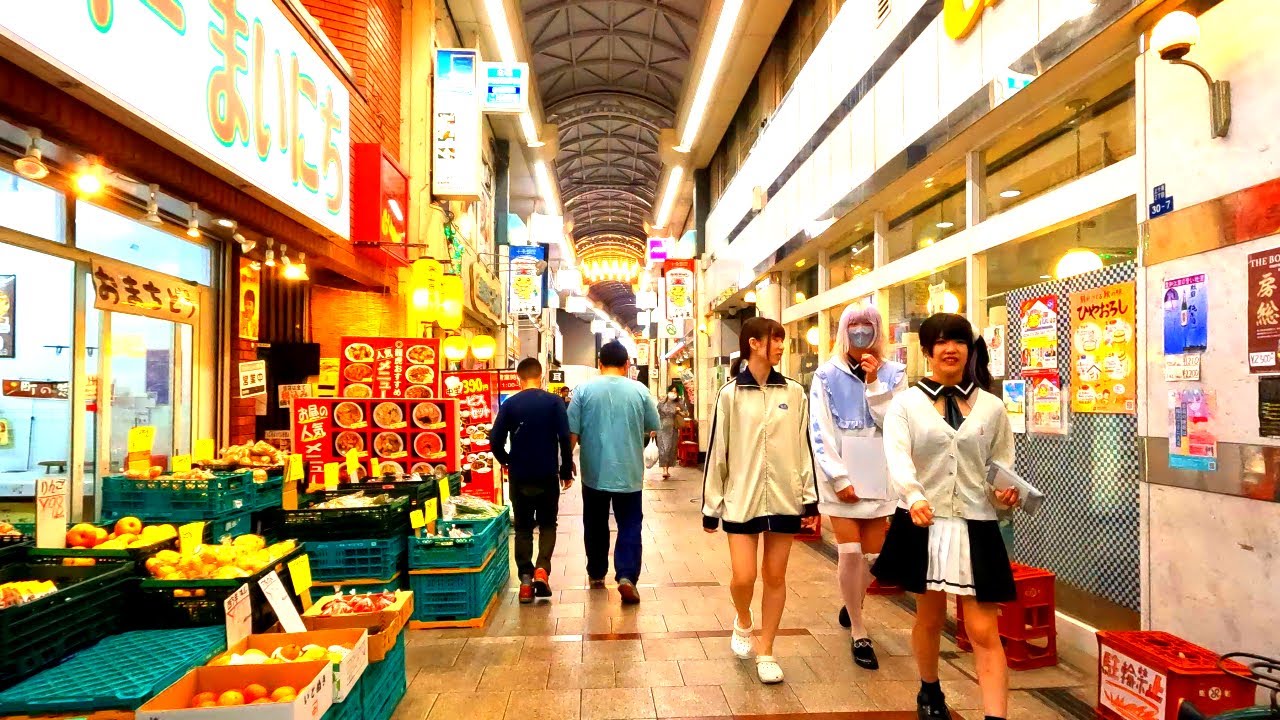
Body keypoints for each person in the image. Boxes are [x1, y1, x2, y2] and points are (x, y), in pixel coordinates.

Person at [871, 313, 1021, 720]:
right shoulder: (906, 404)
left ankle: (996, 717)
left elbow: (999, 465)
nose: (950, 349)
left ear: (970, 350)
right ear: (927, 352)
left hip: (977, 525)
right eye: (941, 342)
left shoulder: (991, 407)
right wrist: (913, 494)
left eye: (958, 341)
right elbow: (897, 456)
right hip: (925, 521)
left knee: (984, 630)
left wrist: (1005, 493)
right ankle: (929, 688)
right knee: (930, 616)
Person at [703, 317, 817, 684]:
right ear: (754, 344)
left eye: (782, 341)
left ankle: (767, 650)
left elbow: (804, 448)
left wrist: (809, 499)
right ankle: (743, 619)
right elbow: (718, 451)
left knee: (775, 575)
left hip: (784, 499)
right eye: (776, 340)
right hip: (741, 498)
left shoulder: (795, 393)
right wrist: (711, 505)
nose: (782, 347)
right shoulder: (730, 394)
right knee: (744, 576)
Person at [809, 303, 907, 670]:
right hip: (842, 476)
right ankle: (859, 628)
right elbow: (819, 429)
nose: (862, 332)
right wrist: (839, 477)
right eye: (855, 325)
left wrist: (875, 385)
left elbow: (897, 424)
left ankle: (851, 601)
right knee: (849, 553)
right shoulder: (825, 375)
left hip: (879, 475)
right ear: (844, 330)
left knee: (874, 559)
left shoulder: (895, 373)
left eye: (869, 325)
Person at [568, 340, 661, 604]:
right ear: (627, 364)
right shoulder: (639, 390)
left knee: (595, 524)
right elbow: (653, 425)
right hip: (629, 472)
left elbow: (571, 433)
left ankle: (597, 573)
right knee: (629, 524)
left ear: (599, 364)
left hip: (594, 472)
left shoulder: (583, 390)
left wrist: (564, 464)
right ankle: (627, 576)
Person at [490, 357, 574, 604]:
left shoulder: (511, 404)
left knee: (524, 528)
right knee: (549, 524)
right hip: (548, 474)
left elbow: (495, 439)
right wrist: (566, 471)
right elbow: (564, 439)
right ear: (542, 376)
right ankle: (542, 569)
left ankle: (526, 581)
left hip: (520, 475)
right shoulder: (554, 402)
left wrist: (506, 460)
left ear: (519, 378)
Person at [656, 383, 689, 479]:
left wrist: (679, 411)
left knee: (670, 449)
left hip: (673, 428)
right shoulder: (662, 401)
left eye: (675, 391)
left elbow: (686, 413)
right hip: (661, 428)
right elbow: (656, 413)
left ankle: (667, 469)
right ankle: (664, 470)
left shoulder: (680, 402)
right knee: (663, 449)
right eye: (671, 391)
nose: (673, 393)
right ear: (668, 391)